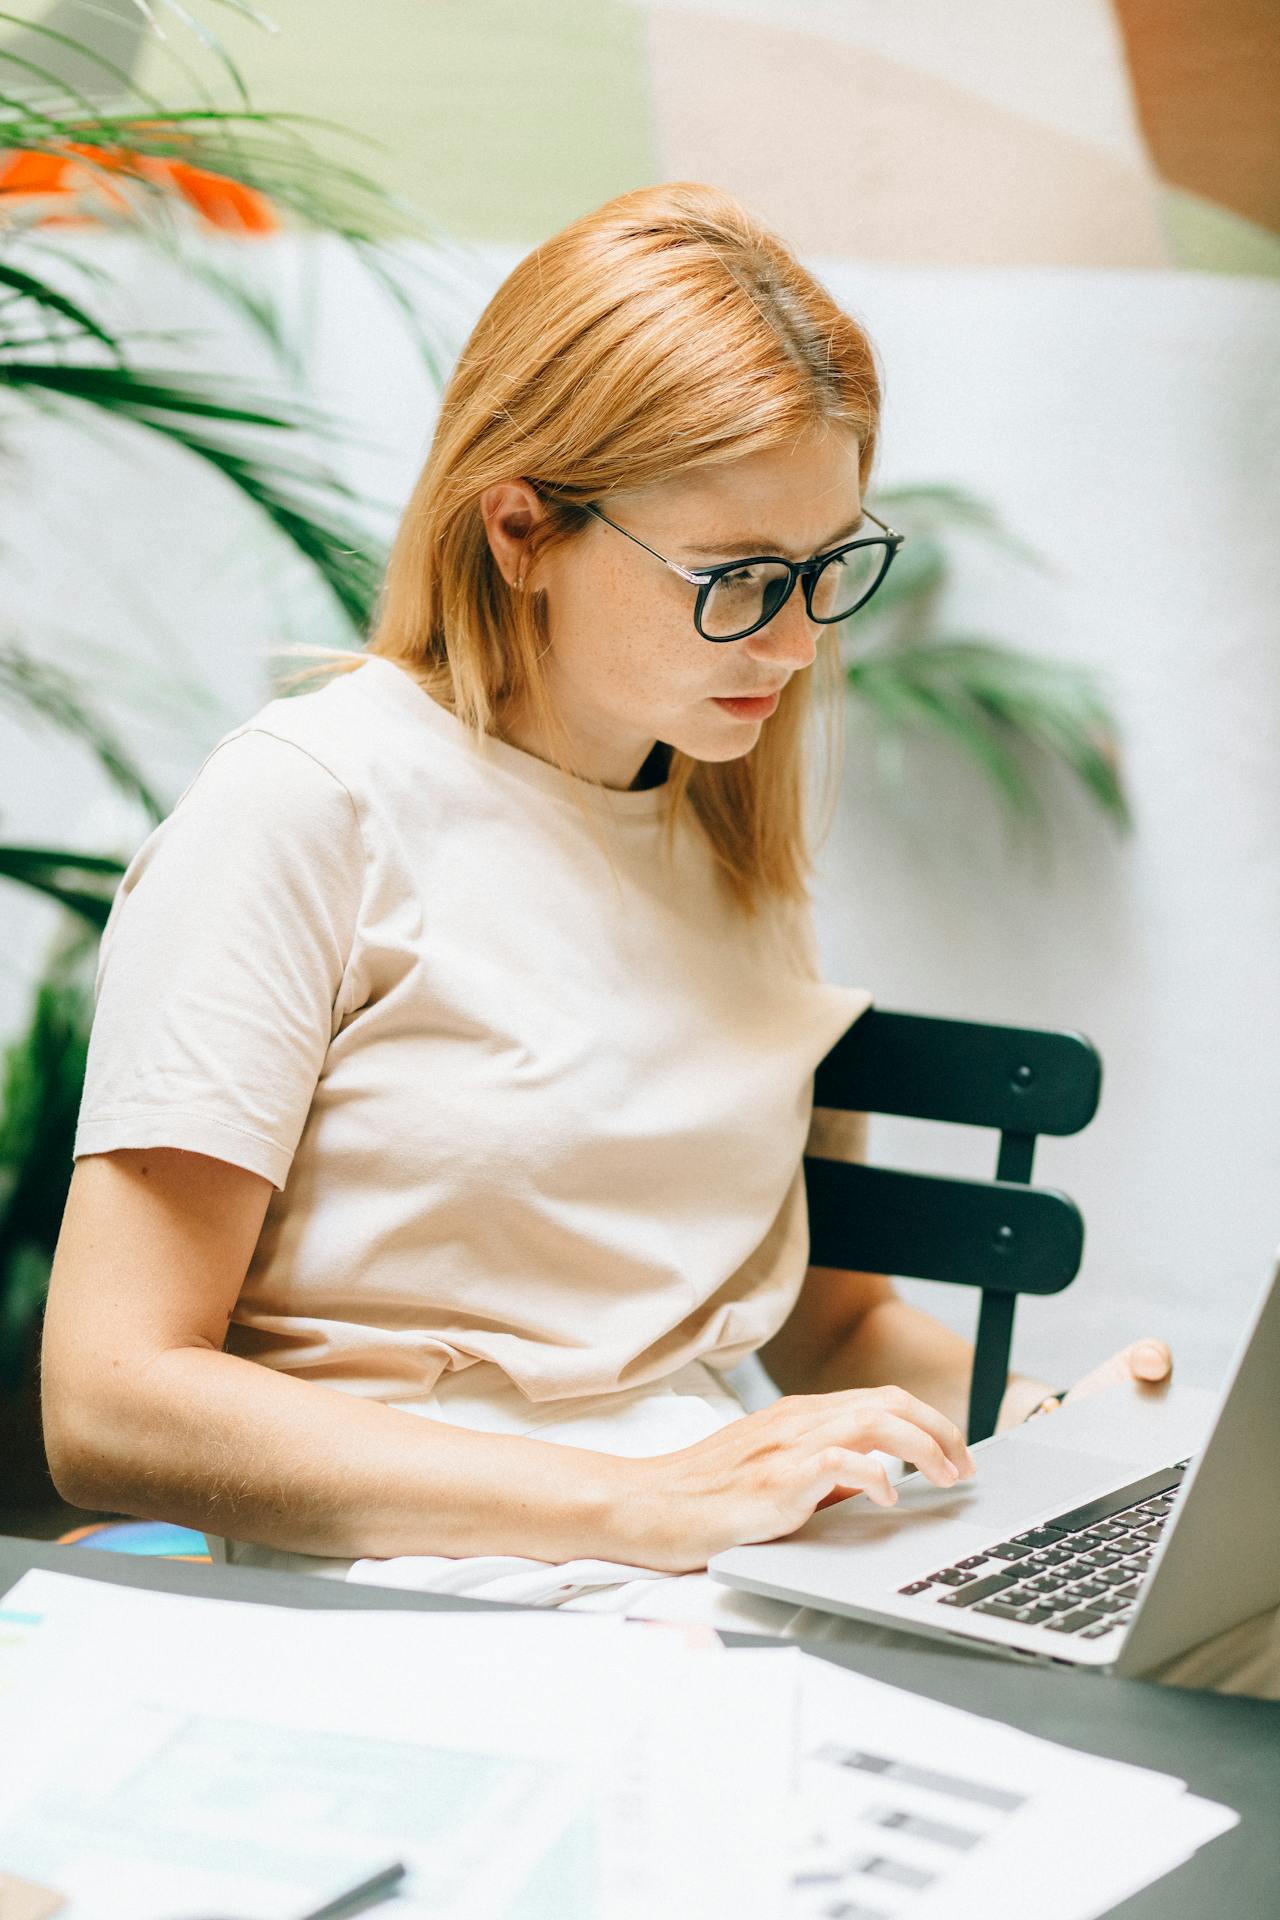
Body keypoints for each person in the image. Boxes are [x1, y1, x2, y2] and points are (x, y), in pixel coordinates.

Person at [41, 181, 1173, 1640]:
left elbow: (832, 1324)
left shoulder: (720, 836)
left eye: (827, 570)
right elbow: (109, 1401)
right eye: (737, 581)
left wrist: (1061, 1441)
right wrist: (637, 1504)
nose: (798, 638)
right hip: (434, 1581)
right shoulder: (309, 808)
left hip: (716, 1554)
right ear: (520, 529)